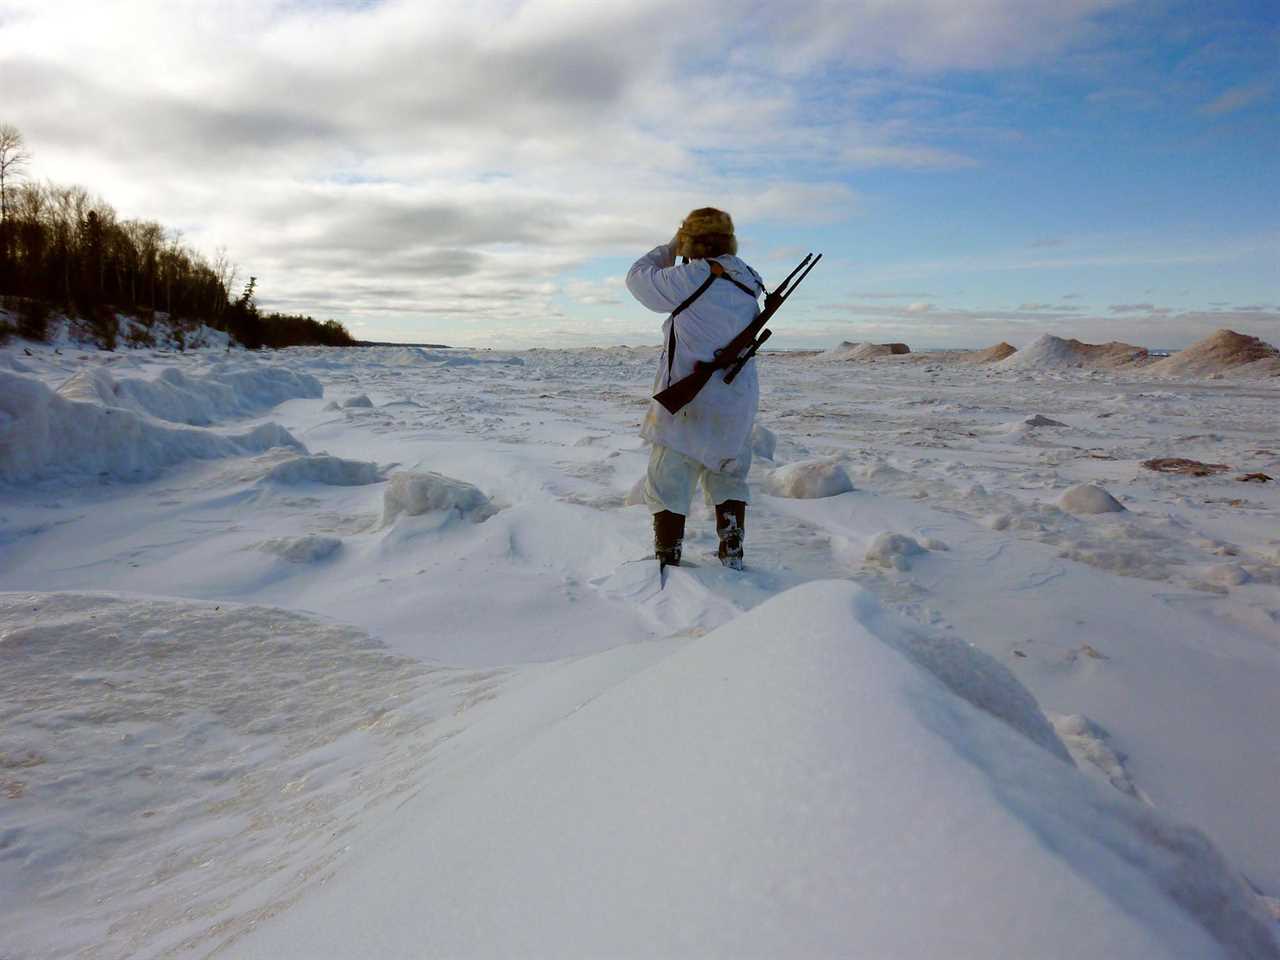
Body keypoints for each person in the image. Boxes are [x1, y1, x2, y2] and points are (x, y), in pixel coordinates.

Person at [626, 207, 764, 571]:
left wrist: (671, 246)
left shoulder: (692, 276)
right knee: (728, 472)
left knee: (669, 475)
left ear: (690, 242)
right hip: (736, 397)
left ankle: (667, 559)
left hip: (689, 402)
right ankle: (731, 552)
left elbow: (637, 277)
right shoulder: (748, 278)